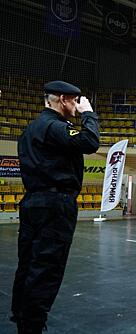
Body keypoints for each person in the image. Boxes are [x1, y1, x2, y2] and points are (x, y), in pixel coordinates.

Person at [12, 81, 99, 333]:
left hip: (33, 202)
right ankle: (33, 326)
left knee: (28, 264)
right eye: (74, 101)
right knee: (47, 267)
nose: (76, 106)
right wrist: (89, 115)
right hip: (55, 204)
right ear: (62, 99)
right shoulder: (54, 126)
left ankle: (22, 320)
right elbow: (90, 141)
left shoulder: (32, 128)